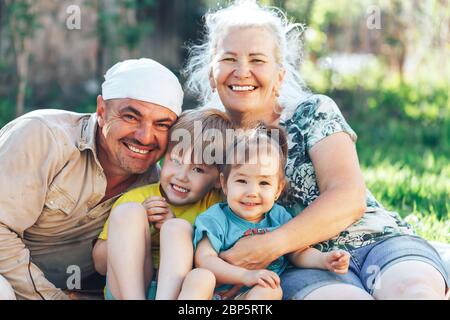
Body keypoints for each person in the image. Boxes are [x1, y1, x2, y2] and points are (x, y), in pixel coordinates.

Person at [184, 0, 449, 299]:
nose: (242, 71)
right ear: (211, 72)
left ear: (279, 76)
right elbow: (177, 190)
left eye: (257, 60)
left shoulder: (312, 112)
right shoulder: (208, 139)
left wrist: (269, 244)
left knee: (415, 291)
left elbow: (348, 196)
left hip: (377, 239)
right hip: (301, 266)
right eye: (229, 59)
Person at [0, 58, 183, 300]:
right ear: (101, 111)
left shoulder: (158, 188)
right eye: (131, 117)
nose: (145, 137)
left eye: (162, 124)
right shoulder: (44, 136)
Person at [193, 125, 351, 300]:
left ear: (278, 189)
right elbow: (204, 259)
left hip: (246, 296)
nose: (252, 191)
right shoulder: (216, 218)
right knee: (199, 277)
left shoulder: (279, 217)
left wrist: (324, 260)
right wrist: (245, 275)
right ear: (224, 184)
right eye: (242, 180)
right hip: (212, 294)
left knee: (270, 290)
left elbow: (298, 253)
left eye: (264, 183)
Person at [92, 109, 233, 300]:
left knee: (177, 228)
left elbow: (218, 260)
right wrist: (142, 227)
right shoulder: (137, 197)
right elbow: (100, 265)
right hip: (127, 291)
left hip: (181, 293)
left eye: (198, 169)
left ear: (219, 180)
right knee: (130, 212)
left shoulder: (216, 207)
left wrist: (175, 228)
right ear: (162, 156)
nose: (181, 176)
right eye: (175, 160)